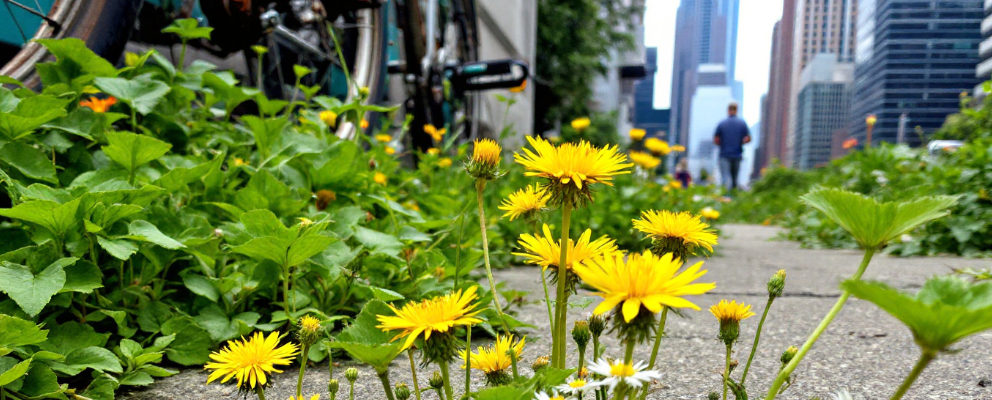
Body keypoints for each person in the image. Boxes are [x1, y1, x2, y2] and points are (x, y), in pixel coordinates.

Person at [713, 102, 751, 191]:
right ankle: (734, 196)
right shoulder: (742, 124)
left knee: (725, 178)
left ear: (728, 110)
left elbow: (716, 139)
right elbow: (748, 138)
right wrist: (740, 142)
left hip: (724, 155)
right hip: (737, 155)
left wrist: (722, 144)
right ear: (736, 110)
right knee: (734, 180)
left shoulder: (722, 124)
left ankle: (725, 196)